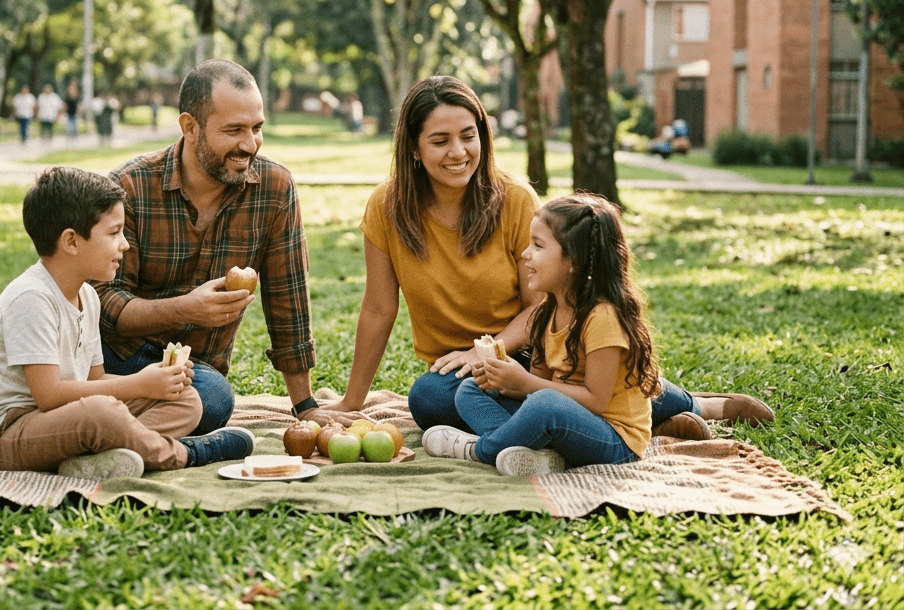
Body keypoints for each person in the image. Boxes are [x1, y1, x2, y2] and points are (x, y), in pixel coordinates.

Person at [0, 59, 352, 440]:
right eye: (234, 130)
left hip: (192, 366)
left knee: (213, 401)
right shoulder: (130, 186)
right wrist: (184, 308)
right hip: (102, 352)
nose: (250, 144)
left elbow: (288, 296)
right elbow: (103, 295)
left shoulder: (275, 189)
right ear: (190, 127)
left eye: (257, 128)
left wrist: (304, 402)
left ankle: (7, 423)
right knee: (47, 370)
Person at [320, 75, 773, 441]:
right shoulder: (387, 207)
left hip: (535, 353)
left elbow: (541, 304)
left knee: (582, 391)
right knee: (428, 399)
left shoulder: (514, 199)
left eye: (468, 136)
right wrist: (351, 401)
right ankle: (630, 424)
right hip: (457, 371)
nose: (458, 153)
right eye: (440, 141)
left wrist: (492, 352)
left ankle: (696, 405)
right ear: (414, 149)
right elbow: (379, 308)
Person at [0, 166, 254, 478]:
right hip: (9, 433)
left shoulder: (88, 297)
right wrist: (138, 383)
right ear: (72, 242)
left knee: (186, 400)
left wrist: (156, 380)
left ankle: (102, 457)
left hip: (64, 421)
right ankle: (186, 453)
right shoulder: (32, 298)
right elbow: (48, 396)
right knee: (100, 413)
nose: (125, 244)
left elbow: (96, 380)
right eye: (114, 233)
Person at [422, 193, 660, 475]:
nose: (525, 254)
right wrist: (507, 381)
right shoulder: (546, 312)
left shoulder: (603, 318)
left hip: (615, 440)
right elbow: (538, 383)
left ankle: (479, 450)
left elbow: (595, 401)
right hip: (561, 424)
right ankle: (533, 454)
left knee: (545, 405)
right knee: (470, 389)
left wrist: (525, 384)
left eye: (537, 245)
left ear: (574, 260)